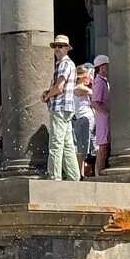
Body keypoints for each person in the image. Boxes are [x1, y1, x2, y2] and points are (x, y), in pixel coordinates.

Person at [42, 33, 80, 180]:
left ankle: (54, 177)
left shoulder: (64, 64)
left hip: (59, 107)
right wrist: (49, 93)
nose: (57, 49)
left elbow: (59, 88)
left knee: (55, 144)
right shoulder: (69, 64)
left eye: (61, 46)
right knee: (67, 144)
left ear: (67, 48)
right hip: (67, 108)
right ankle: (74, 176)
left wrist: (47, 95)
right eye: (56, 46)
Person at [73, 63, 96, 177]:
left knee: (87, 147)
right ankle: (79, 173)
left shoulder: (82, 88)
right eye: (87, 76)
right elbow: (93, 93)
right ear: (81, 77)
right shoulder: (78, 88)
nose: (89, 79)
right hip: (84, 119)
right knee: (82, 147)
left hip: (87, 119)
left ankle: (82, 173)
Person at [89, 54, 111, 175]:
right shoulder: (99, 81)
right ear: (102, 68)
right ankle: (99, 174)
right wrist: (107, 113)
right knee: (102, 148)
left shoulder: (103, 81)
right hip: (103, 119)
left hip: (104, 118)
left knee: (105, 147)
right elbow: (95, 103)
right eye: (107, 67)